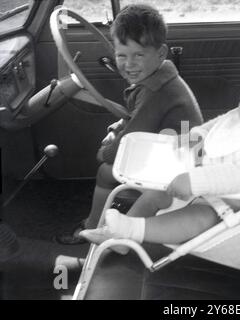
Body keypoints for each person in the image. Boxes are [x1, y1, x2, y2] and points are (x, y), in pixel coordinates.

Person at [80, 57, 240, 247]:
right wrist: (196, 135)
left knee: (199, 218)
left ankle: (132, 230)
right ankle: (118, 237)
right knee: (155, 192)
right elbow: (221, 123)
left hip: (229, 207)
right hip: (203, 179)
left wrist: (196, 180)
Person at [56, 4, 203, 244]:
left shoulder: (155, 91)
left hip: (179, 164)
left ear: (161, 53)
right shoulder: (160, 77)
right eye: (121, 55)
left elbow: (130, 137)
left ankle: (92, 226)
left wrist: (105, 153)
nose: (129, 64)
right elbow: (139, 120)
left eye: (138, 55)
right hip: (169, 148)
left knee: (105, 171)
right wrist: (117, 128)